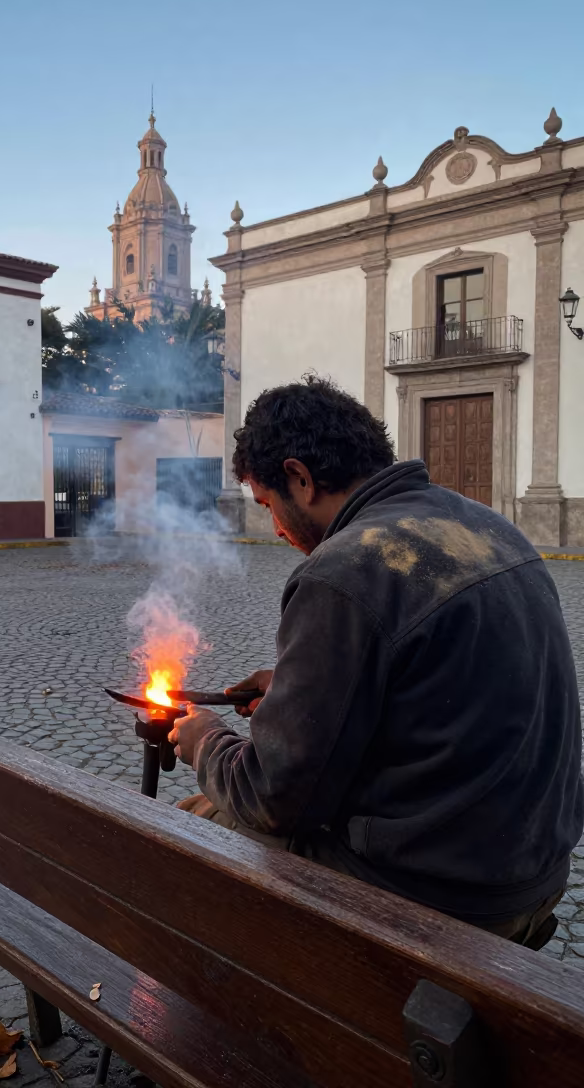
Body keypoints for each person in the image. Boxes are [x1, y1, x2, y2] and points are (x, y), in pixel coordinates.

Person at [169, 376, 584, 948]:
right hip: (533, 870)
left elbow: (271, 800)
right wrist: (294, 689)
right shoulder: (487, 525)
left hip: (444, 898)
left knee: (187, 825)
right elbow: (435, 688)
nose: (277, 528)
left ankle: (205, 1008)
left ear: (300, 478)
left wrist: (205, 739)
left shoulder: (345, 569)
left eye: (268, 505)